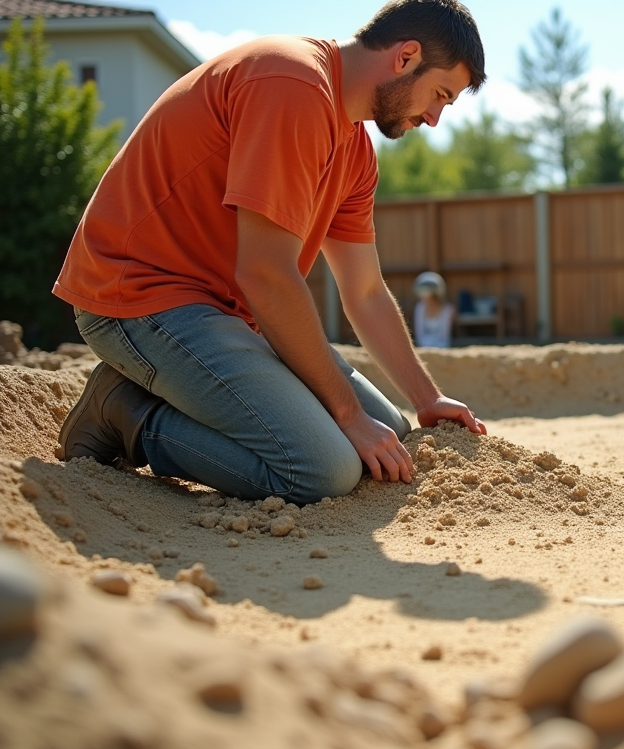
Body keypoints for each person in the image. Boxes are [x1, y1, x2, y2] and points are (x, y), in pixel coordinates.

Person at [53, 0, 488, 504]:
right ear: (406, 56)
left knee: (387, 429)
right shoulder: (294, 85)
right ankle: (127, 411)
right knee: (323, 470)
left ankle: (189, 393)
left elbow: (365, 290)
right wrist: (345, 415)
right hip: (139, 300)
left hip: (224, 318)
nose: (434, 118)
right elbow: (265, 273)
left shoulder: (355, 151)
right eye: (440, 95)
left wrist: (426, 397)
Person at [412, 271, 454, 348]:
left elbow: (445, 337)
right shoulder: (419, 308)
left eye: (428, 294)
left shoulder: (448, 310)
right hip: (423, 348)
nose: (425, 297)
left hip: (442, 348)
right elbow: (419, 335)